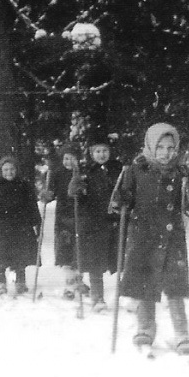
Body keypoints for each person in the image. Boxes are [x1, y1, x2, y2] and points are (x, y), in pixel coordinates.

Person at [112, 123, 189, 355]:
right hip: (144, 236)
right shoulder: (135, 170)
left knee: (175, 285)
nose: (165, 152)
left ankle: (181, 332)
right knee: (144, 284)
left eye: (170, 147)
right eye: (160, 147)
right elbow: (121, 200)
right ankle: (145, 327)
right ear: (150, 146)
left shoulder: (181, 172)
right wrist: (121, 201)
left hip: (172, 237)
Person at [67, 131, 121, 312]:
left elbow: (126, 190)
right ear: (91, 153)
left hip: (113, 222)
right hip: (92, 223)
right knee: (94, 263)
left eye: (104, 150)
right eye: (97, 151)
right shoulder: (85, 172)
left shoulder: (118, 170)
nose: (101, 154)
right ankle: (98, 298)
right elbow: (73, 192)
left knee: (120, 260)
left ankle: (131, 297)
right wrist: (76, 188)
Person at [0, 156, 41, 295]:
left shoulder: (24, 185)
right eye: (5, 169)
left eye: (11, 169)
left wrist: (37, 223)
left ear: (16, 170)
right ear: (1, 171)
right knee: (1, 258)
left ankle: (20, 283)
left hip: (21, 227)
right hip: (1, 227)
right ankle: (1, 283)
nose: (9, 172)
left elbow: (32, 206)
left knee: (19, 258)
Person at [40, 143, 86, 299]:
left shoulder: (82, 174)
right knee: (65, 249)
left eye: (72, 159)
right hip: (63, 217)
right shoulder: (57, 173)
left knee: (78, 249)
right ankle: (69, 284)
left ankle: (78, 281)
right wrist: (46, 195)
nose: (68, 162)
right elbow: (51, 193)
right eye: (66, 159)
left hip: (80, 216)